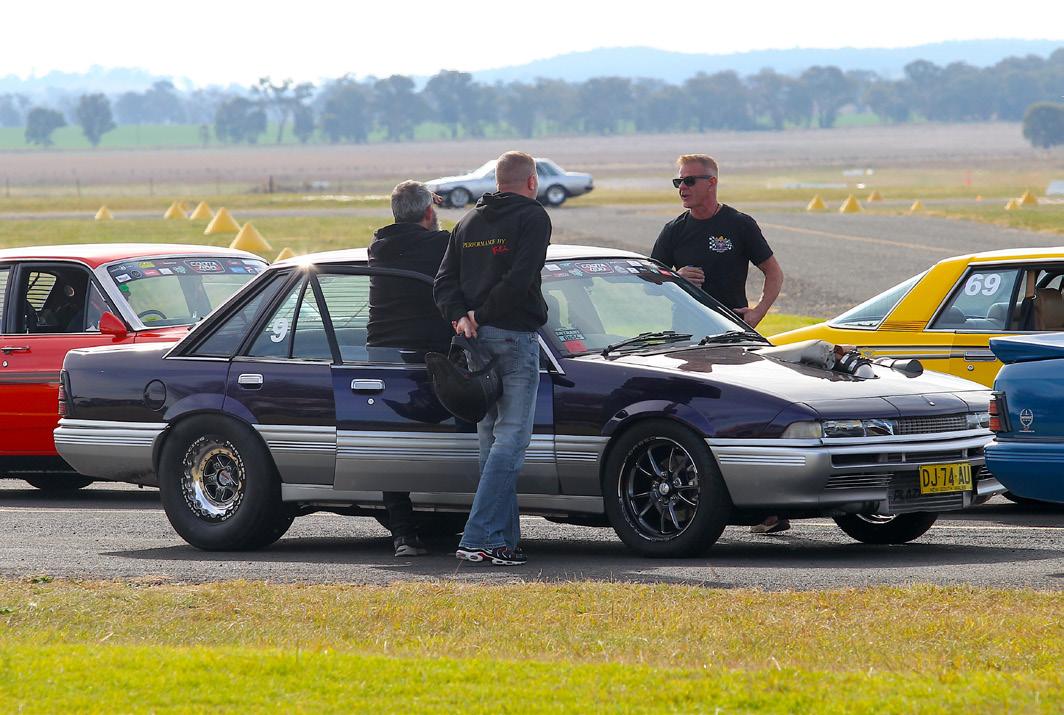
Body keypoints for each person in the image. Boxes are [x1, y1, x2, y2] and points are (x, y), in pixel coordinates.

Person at [651, 153, 789, 535]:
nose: (682, 188)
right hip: (686, 343)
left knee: (746, 416)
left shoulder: (739, 224)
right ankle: (687, 500)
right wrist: (675, 278)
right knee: (688, 419)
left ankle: (768, 508)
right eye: (678, 182)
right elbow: (650, 282)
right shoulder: (673, 230)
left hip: (734, 339)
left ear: (711, 182)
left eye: (689, 181)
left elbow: (774, 272)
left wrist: (758, 312)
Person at [434, 151, 551, 566]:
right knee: (512, 441)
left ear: (497, 181)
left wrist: (461, 318)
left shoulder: (468, 222)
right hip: (514, 338)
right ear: (532, 182)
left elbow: (443, 281)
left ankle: (502, 541)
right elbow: (520, 279)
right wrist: (479, 315)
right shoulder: (533, 216)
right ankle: (479, 536)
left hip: (476, 344)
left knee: (492, 443)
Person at [367, 180, 453, 556]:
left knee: (390, 440)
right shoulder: (440, 245)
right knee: (469, 425)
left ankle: (403, 534)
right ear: (429, 213)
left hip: (380, 355)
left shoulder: (378, 246)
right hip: (429, 355)